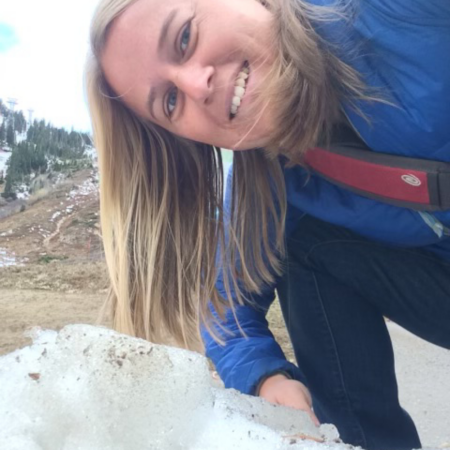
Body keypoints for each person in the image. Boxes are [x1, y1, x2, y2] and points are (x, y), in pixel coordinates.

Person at [85, 0, 450, 449]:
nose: (196, 84)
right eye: (171, 101)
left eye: (184, 37)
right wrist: (266, 378)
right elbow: (222, 305)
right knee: (301, 247)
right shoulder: (276, 180)